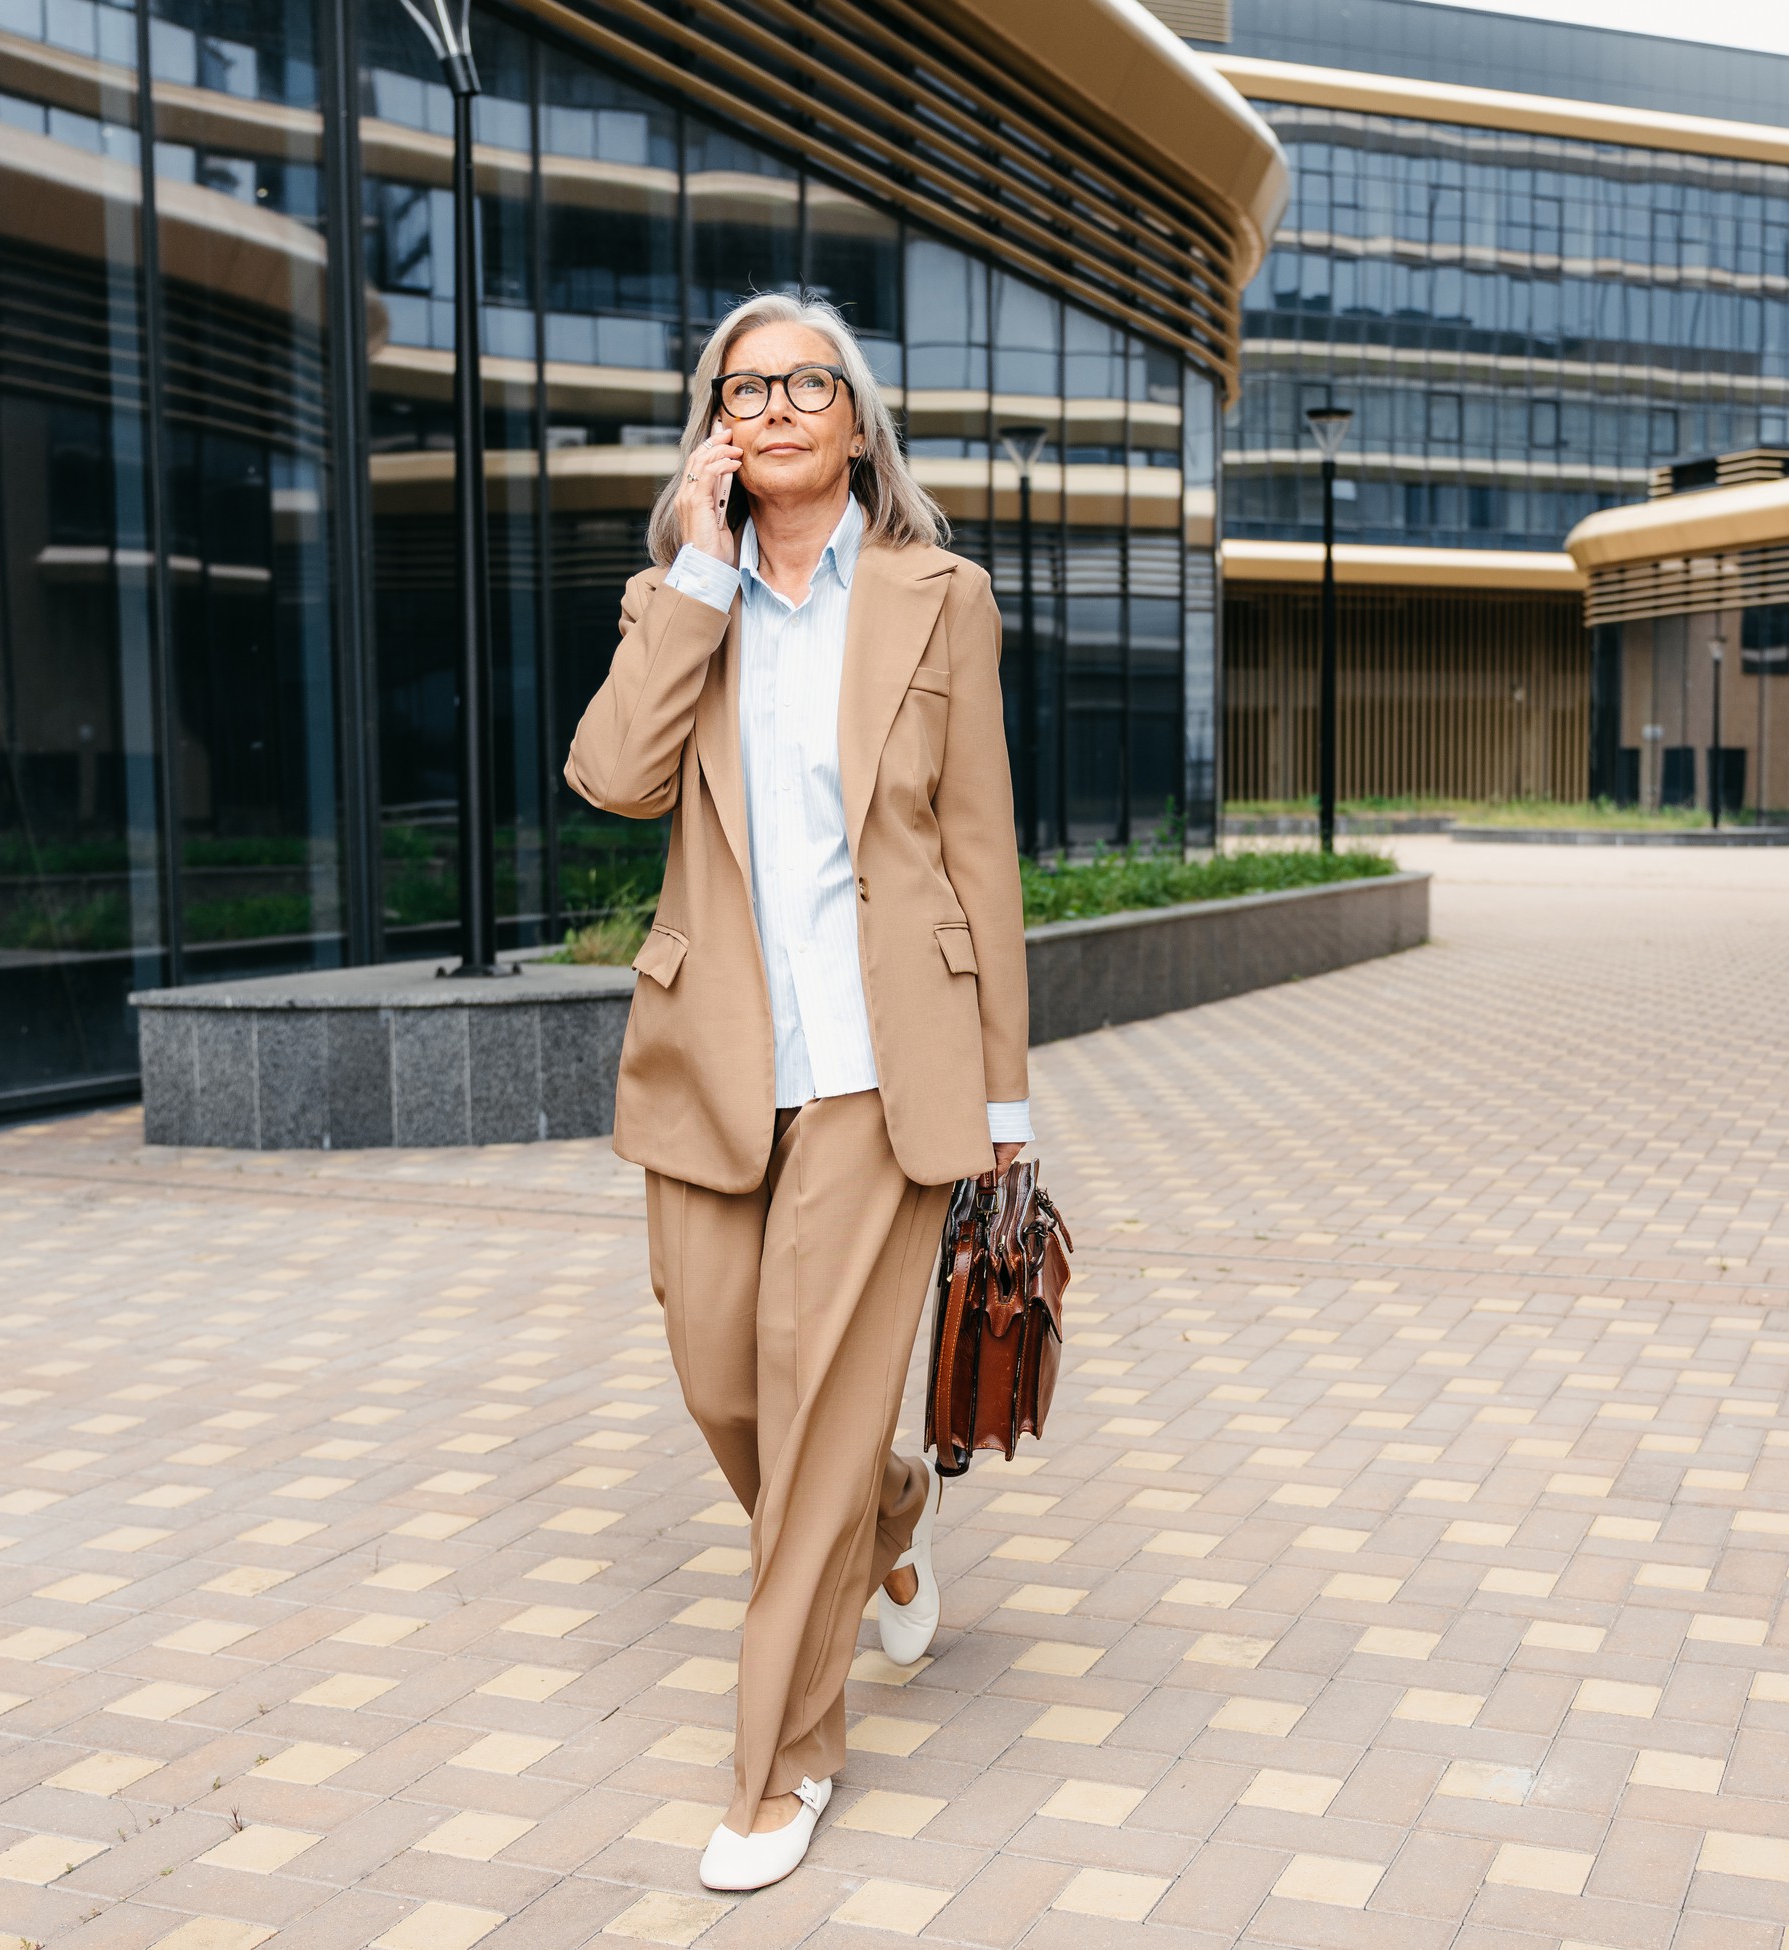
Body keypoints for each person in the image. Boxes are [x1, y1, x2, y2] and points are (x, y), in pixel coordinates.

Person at [563, 292, 1030, 1892]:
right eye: (738, 388)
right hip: (713, 1063)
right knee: (725, 1384)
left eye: (798, 384)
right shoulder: (678, 596)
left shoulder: (934, 594)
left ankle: (782, 1763)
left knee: (814, 1412)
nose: (767, 409)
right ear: (715, 426)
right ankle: (888, 1508)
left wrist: (1008, 1100)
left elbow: (981, 849)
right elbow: (613, 776)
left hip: (878, 1067)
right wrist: (696, 566)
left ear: (853, 415)